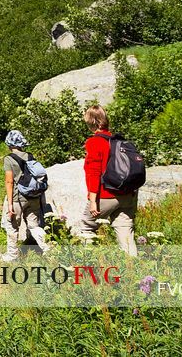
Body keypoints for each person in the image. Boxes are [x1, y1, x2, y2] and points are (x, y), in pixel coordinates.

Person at [79, 104, 138, 256]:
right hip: (127, 194)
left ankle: (89, 264)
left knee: (87, 227)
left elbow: (93, 172)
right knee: (125, 231)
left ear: (91, 123)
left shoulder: (94, 142)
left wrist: (93, 200)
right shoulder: (118, 141)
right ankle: (135, 269)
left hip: (105, 195)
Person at [1, 129, 50, 261]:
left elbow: (9, 181)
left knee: (12, 226)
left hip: (17, 199)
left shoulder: (8, 159)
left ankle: (12, 256)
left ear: (9, 144)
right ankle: (48, 248)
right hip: (32, 197)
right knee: (34, 225)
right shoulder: (30, 156)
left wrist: (10, 204)